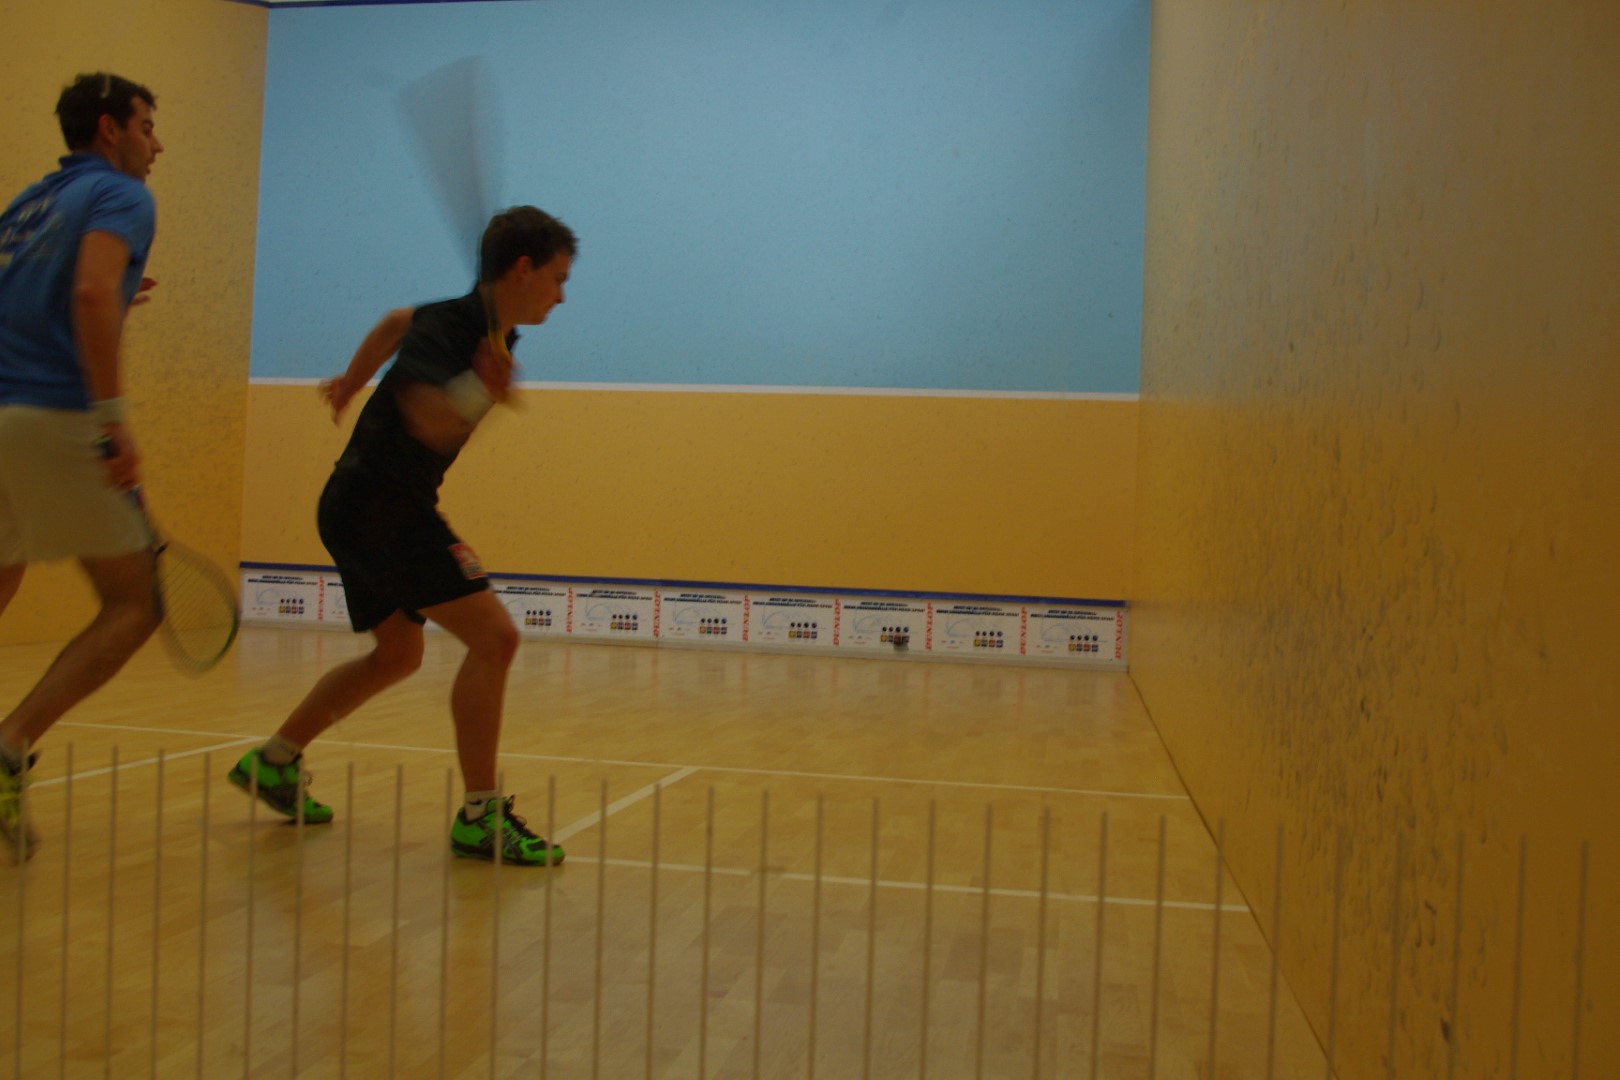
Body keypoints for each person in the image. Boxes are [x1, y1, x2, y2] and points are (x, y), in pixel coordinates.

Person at [229, 206, 574, 866]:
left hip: (363, 505)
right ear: (523, 269)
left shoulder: (483, 328)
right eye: (558, 278)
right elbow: (428, 421)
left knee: (397, 655)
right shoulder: (454, 329)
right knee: (496, 639)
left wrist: (351, 381)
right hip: (380, 511)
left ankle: (274, 761)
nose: (561, 296)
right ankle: (481, 818)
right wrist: (479, 390)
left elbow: (393, 323)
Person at [0, 73, 165, 859]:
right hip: (52, 413)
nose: (157, 144)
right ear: (110, 129)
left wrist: (108, 294)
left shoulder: (29, 203)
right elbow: (93, 296)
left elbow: (51, 294)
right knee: (135, 602)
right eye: (147, 126)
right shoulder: (123, 197)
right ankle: (9, 745)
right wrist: (110, 423)